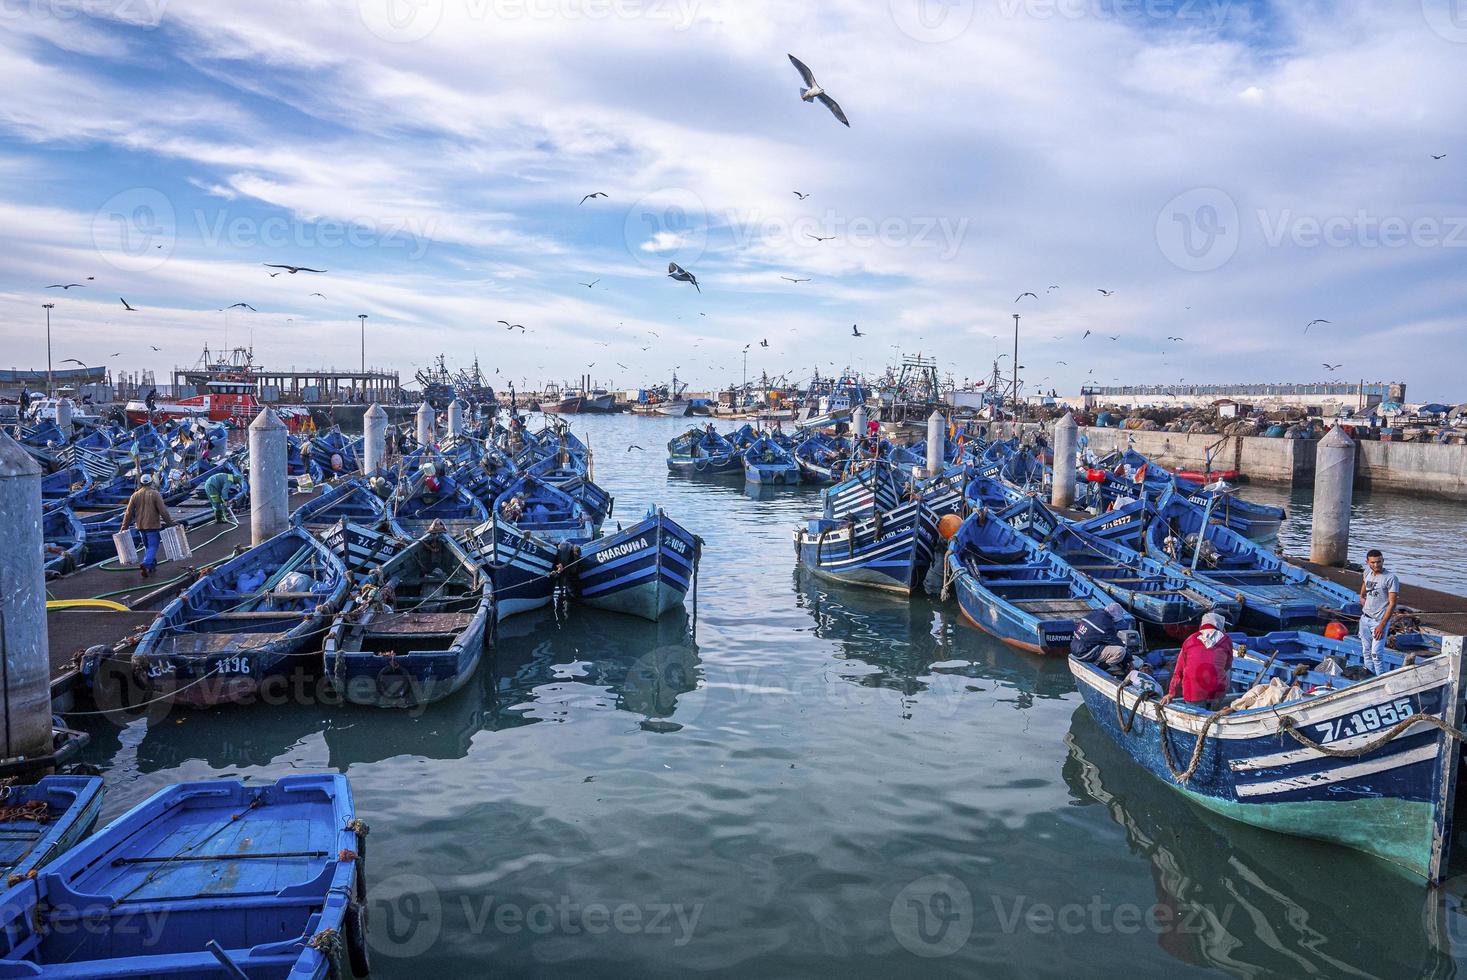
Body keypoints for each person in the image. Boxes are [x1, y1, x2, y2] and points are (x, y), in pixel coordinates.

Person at [1163, 611, 1234, 709]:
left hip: (1193, 693)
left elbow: (1179, 671)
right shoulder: (1226, 640)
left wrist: (1171, 693)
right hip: (1217, 691)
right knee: (1228, 671)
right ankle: (1215, 709)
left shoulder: (1190, 639)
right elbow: (1228, 666)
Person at [119, 473, 175, 578]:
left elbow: (128, 513)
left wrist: (124, 528)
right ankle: (147, 563)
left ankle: (151, 566)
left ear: (141, 483)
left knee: (147, 546)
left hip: (140, 526)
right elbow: (163, 511)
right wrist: (171, 523)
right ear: (151, 482)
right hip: (153, 526)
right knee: (153, 546)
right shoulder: (155, 494)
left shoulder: (135, 495)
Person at [1359, 549, 1400, 674]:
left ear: (1383, 561)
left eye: (1379, 562)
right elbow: (1364, 586)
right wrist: (1362, 596)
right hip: (1365, 619)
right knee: (1366, 652)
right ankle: (1369, 678)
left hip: (1379, 621)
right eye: (1373, 563)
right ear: (1367, 562)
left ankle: (1380, 679)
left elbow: (1392, 603)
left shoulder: (1391, 578)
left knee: (1376, 654)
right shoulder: (1367, 573)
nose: (1376, 565)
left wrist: (1382, 625)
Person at [1070, 602, 1130, 673]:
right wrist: (1129, 659)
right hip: (1084, 653)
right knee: (1121, 651)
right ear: (1114, 617)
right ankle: (1100, 669)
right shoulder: (1106, 625)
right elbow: (1117, 643)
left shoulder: (1095, 613)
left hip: (1074, 648)